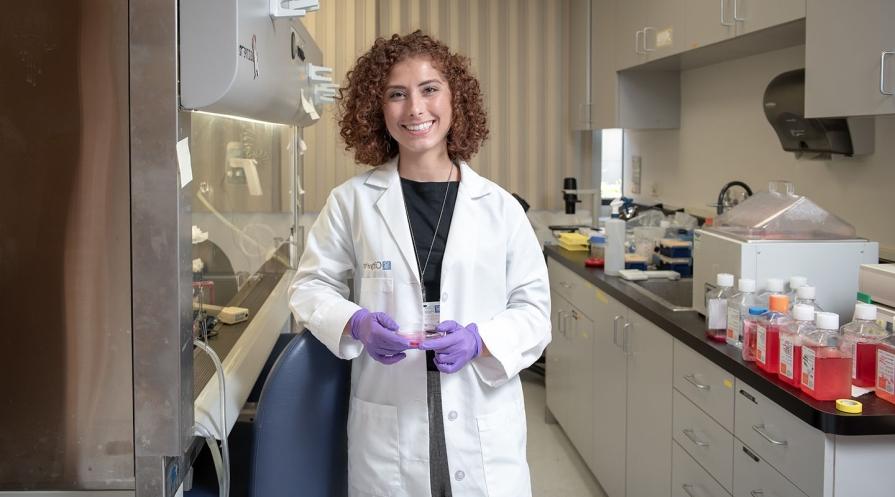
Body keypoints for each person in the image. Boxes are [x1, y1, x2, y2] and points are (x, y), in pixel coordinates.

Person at [289, 30, 551, 497]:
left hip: (478, 410)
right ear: (378, 108)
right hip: (389, 413)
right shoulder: (352, 202)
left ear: (456, 100)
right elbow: (310, 287)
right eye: (396, 94)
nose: (415, 109)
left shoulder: (500, 207)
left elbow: (534, 312)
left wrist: (479, 341)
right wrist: (358, 323)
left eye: (430, 89)